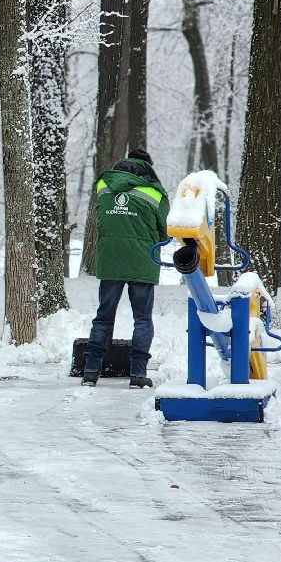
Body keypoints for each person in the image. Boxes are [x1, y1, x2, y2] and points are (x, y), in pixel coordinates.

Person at [83, 147, 169, 388]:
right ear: (147, 168)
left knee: (103, 317)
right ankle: (138, 375)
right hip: (143, 261)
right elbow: (165, 231)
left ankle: (90, 371)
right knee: (142, 319)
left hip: (110, 260)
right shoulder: (154, 193)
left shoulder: (104, 187)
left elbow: (100, 220)